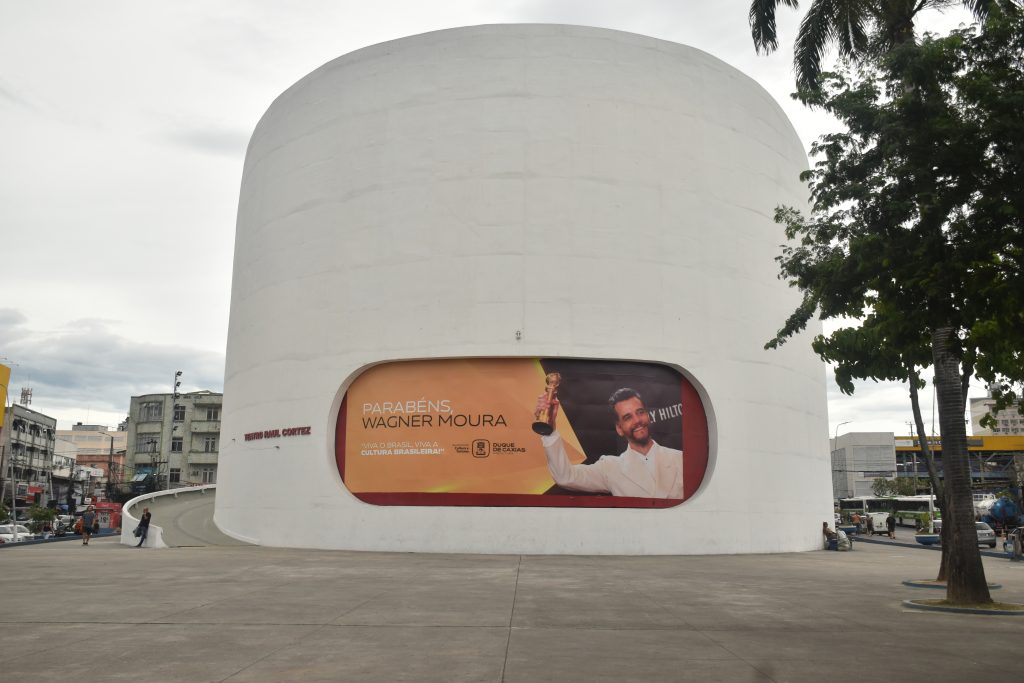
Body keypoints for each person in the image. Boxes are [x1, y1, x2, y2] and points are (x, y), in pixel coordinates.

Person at [536, 387, 683, 498]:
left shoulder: (680, 458)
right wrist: (549, 431)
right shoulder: (610, 468)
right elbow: (566, 477)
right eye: (628, 417)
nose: (637, 420)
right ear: (619, 429)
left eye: (640, 412)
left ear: (647, 415)